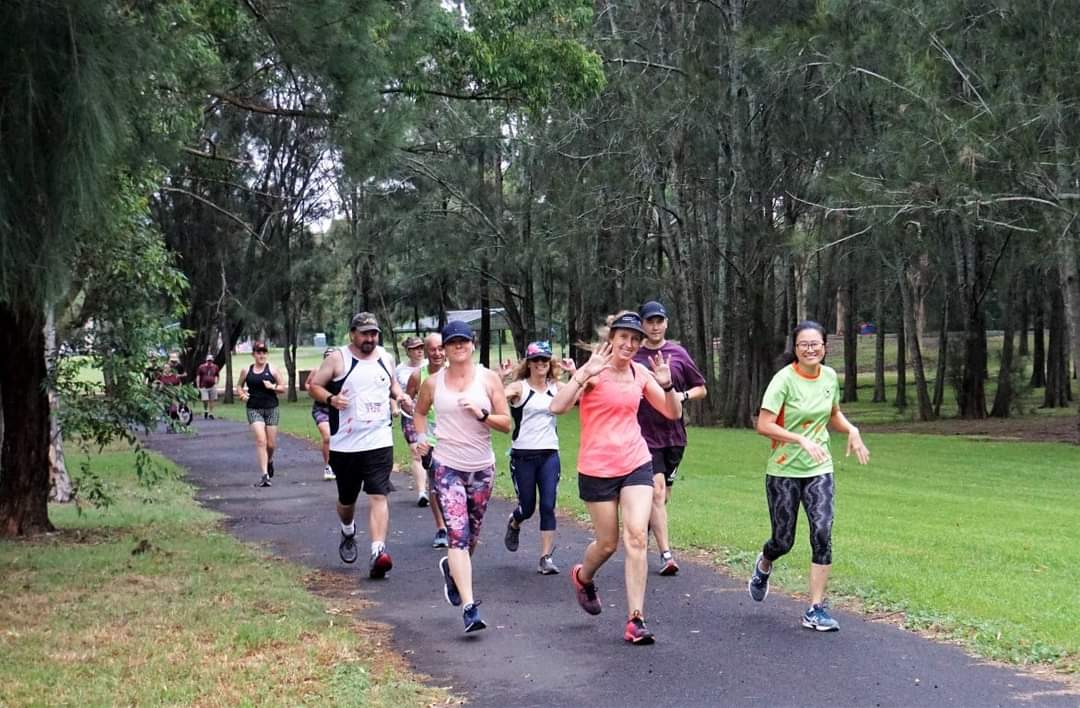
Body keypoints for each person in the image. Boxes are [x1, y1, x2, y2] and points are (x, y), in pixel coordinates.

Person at [549, 311, 683, 645]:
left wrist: (667, 385)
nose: (629, 343)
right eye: (623, 337)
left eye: (635, 339)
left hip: (636, 462)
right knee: (608, 543)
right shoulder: (594, 371)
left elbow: (672, 413)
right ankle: (583, 576)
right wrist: (582, 376)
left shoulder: (640, 373)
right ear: (612, 339)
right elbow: (558, 407)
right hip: (597, 467)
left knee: (637, 536)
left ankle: (636, 619)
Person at [748, 320, 870, 632]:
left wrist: (852, 429)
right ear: (796, 349)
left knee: (822, 531)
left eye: (816, 343)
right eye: (804, 344)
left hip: (820, 468)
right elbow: (763, 425)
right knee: (783, 540)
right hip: (784, 469)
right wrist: (800, 439)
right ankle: (764, 562)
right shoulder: (783, 380)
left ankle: (815, 608)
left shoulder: (829, 377)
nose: (810, 349)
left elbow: (833, 414)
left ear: (825, 347)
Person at [413, 321, 511, 633]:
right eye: (452, 342)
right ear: (444, 347)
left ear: (472, 344)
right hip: (447, 466)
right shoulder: (433, 383)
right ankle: (470, 608)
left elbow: (506, 423)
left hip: (481, 468)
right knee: (457, 534)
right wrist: (420, 438)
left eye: (463, 341)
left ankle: (452, 570)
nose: (458, 347)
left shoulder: (488, 379)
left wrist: (481, 414)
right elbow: (418, 412)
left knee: (472, 536)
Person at [307, 313, 408, 580]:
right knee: (347, 499)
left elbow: (393, 384)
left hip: (379, 440)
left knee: (378, 494)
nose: (370, 339)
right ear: (353, 334)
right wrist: (331, 398)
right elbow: (314, 386)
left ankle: (378, 552)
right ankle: (348, 529)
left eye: (373, 333)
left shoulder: (386, 357)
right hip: (345, 444)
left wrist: (400, 396)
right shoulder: (338, 358)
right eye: (364, 334)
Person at [634, 301, 708, 576]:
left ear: (666, 323)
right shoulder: (635, 356)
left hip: (674, 437)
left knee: (662, 498)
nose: (655, 326)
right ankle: (666, 555)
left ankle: (642, 531)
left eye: (659, 321)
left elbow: (701, 388)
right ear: (642, 324)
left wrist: (682, 395)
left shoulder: (677, 353)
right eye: (649, 321)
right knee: (657, 491)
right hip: (643, 434)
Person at [502, 341, 576, 575]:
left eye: (545, 360)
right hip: (523, 455)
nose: (541, 364)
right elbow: (496, 397)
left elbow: (587, 391)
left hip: (549, 454)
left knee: (548, 505)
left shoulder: (557, 387)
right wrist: (500, 379)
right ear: (529, 363)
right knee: (528, 507)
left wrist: (575, 373)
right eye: (536, 360)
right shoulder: (519, 388)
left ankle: (545, 558)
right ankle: (515, 521)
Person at [406, 333, 450, 548]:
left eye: (441, 348)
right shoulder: (417, 375)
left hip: (454, 437)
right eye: (433, 349)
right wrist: (411, 410)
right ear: (426, 351)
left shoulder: (456, 373)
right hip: (430, 439)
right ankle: (441, 528)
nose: (437, 353)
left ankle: (457, 523)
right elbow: (408, 399)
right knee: (435, 485)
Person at [234, 341, 285, 487]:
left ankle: (269, 461)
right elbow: (239, 385)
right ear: (253, 354)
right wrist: (242, 394)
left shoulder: (273, 370)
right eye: (258, 352)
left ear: (267, 354)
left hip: (271, 409)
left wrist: (273, 386)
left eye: (264, 352)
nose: (261, 355)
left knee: (271, 444)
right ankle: (264, 475)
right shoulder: (246, 370)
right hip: (254, 409)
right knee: (261, 440)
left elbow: (283, 388)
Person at [396, 335, 428, 506]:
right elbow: (394, 391)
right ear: (408, 351)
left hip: (432, 416)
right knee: (416, 452)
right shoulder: (399, 370)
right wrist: (395, 406)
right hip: (410, 415)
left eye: (421, 347)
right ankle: (422, 492)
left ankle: (437, 487)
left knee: (433, 453)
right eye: (415, 348)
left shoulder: (432, 366)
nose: (419, 351)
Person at [305, 347, 337, 481]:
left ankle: (341, 465)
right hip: (321, 409)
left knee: (340, 439)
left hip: (337, 409)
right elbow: (308, 384)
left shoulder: (340, 373)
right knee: (327, 437)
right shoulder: (317, 371)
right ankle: (328, 466)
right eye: (327, 357)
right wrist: (315, 393)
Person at [195, 353, 220, 420]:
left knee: (212, 400)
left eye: (210, 360)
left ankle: (211, 413)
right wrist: (198, 385)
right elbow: (198, 376)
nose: (209, 362)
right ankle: (206, 410)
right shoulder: (201, 367)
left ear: (212, 361)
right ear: (206, 360)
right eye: (208, 360)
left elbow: (217, 375)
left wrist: (217, 383)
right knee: (205, 399)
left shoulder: (215, 367)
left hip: (212, 386)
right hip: (204, 386)